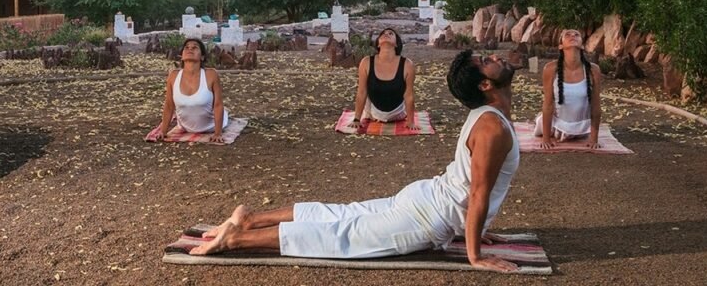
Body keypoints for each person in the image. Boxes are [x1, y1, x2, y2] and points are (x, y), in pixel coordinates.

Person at [191, 50, 521, 273]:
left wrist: (471, 228)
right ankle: (235, 238)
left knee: (341, 216)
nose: (494, 56)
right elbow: (478, 193)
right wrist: (475, 255)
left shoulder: (488, 118)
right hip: (427, 215)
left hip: (426, 199)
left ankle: (250, 218)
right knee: (340, 236)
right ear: (486, 85)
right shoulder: (492, 125)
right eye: (486, 59)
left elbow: (473, 190)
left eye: (486, 58)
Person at [535, 29, 603, 149]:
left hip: (582, 129)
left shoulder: (593, 70)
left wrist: (594, 139)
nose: (573, 36)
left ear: (582, 45)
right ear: (561, 46)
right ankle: (539, 122)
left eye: (577, 35)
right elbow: (548, 104)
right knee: (543, 116)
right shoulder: (550, 69)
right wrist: (546, 138)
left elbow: (596, 105)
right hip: (556, 128)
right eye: (568, 35)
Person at [153, 38, 228, 143]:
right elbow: (169, 105)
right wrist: (163, 131)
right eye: (186, 47)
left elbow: (218, 105)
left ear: (202, 57)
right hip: (185, 127)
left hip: (210, 126)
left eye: (195, 47)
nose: (190, 49)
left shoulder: (211, 75)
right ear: (182, 56)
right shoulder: (173, 76)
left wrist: (217, 133)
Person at [348, 28, 418, 131]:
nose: (386, 35)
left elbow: (409, 95)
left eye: (390, 34)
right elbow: (362, 92)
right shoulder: (366, 62)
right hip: (372, 113)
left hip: (398, 114)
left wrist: (411, 122)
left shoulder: (407, 64)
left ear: (396, 44)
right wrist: (356, 119)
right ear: (378, 44)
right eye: (383, 34)